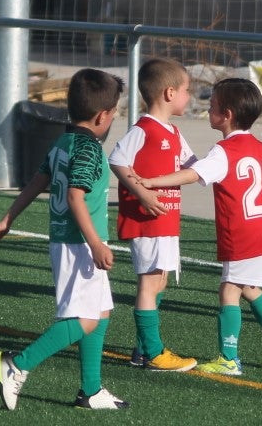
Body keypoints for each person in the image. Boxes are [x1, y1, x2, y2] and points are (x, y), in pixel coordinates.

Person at [134, 77, 262, 376]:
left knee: (228, 291)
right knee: (249, 287)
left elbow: (191, 174)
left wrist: (152, 182)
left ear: (227, 115)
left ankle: (229, 358)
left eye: (211, 106)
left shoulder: (224, 151)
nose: (207, 109)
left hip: (244, 234)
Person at [0, 68, 128, 411]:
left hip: (67, 241)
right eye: (115, 113)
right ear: (102, 116)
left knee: (102, 311)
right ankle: (18, 364)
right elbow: (77, 197)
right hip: (78, 245)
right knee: (85, 319)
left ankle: (91, 390)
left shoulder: (62, 141)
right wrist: (96, 243)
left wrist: (8, 218)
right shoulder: (90, 150)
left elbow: (38, 182)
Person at [108, 58, 197, 372]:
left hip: (166, 221)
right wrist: (143, 193)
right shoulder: (144, 128)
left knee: (159, 283)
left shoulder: (172, 131)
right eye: (187, 90)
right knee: (149, 284)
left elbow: (194, 166)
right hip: (148, 222)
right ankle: (155, 352)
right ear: (170, 93)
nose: (190, 96)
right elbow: (117, 160)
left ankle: (142, 350)